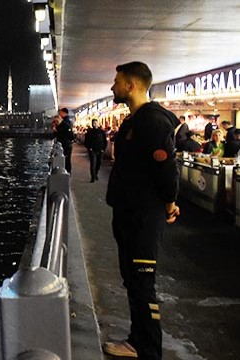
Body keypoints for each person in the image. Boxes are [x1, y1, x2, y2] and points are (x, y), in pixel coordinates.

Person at [103, 61, 180, 360]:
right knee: (133, 279)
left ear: (131, 85)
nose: (113, 86)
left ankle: (149, 350)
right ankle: (137, 341)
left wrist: (170, 202)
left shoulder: (152, 122)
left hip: (144, 216)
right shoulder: (135, 121)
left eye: (117, 81)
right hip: (130, 213)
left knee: (143, 282)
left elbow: (167, 170)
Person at [53, 107, 76, 173]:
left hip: (66, 144)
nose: (56, 123)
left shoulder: (65, 125)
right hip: (66, 144)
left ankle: (67, 173)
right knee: (67, 160)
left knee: (67, 160)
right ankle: (67, 172)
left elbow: (62, 134)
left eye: (56, 121)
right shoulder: (66, 123)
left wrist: (56, 131)